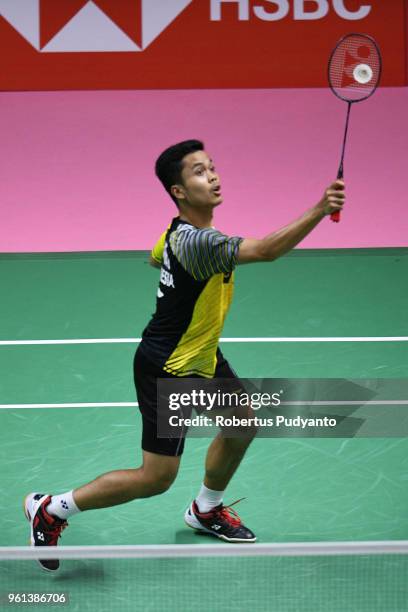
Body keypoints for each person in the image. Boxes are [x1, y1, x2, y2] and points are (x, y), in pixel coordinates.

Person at [24, 139, 345, 571]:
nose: (212, 176)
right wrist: (321, 208)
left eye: (211, 167)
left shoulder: (174, 234)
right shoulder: (200, 244)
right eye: (198, 171)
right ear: (178, 190)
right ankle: (52, 509)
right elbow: (267, 250)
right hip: (169, 369)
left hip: (201, 357)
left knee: (241, 425)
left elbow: (156, 257)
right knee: (155, 479)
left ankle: (205, 510)